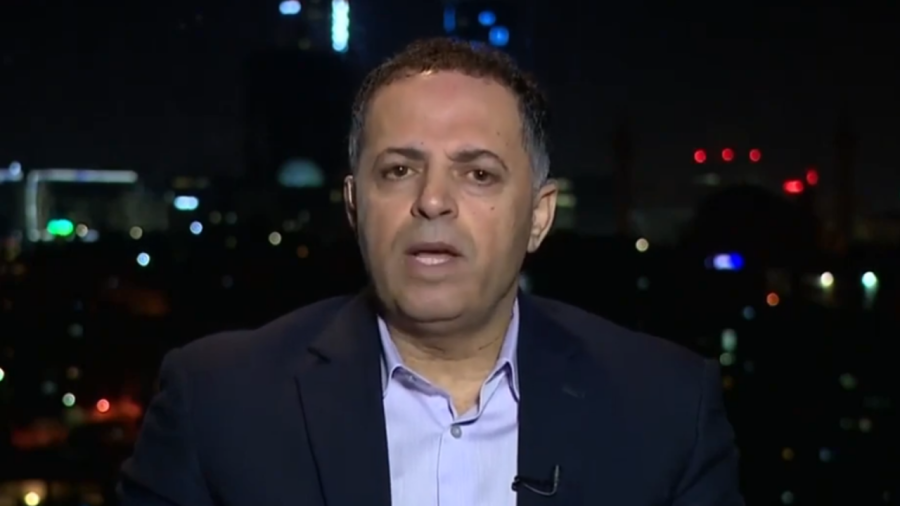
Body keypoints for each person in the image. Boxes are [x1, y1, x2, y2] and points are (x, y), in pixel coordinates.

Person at [119, 38, 743, 506]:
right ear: (354, 206)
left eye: (479, 174)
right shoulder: (216, 402)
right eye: (398, 170)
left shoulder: (666, 409)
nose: (434, 200)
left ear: (539, 216)